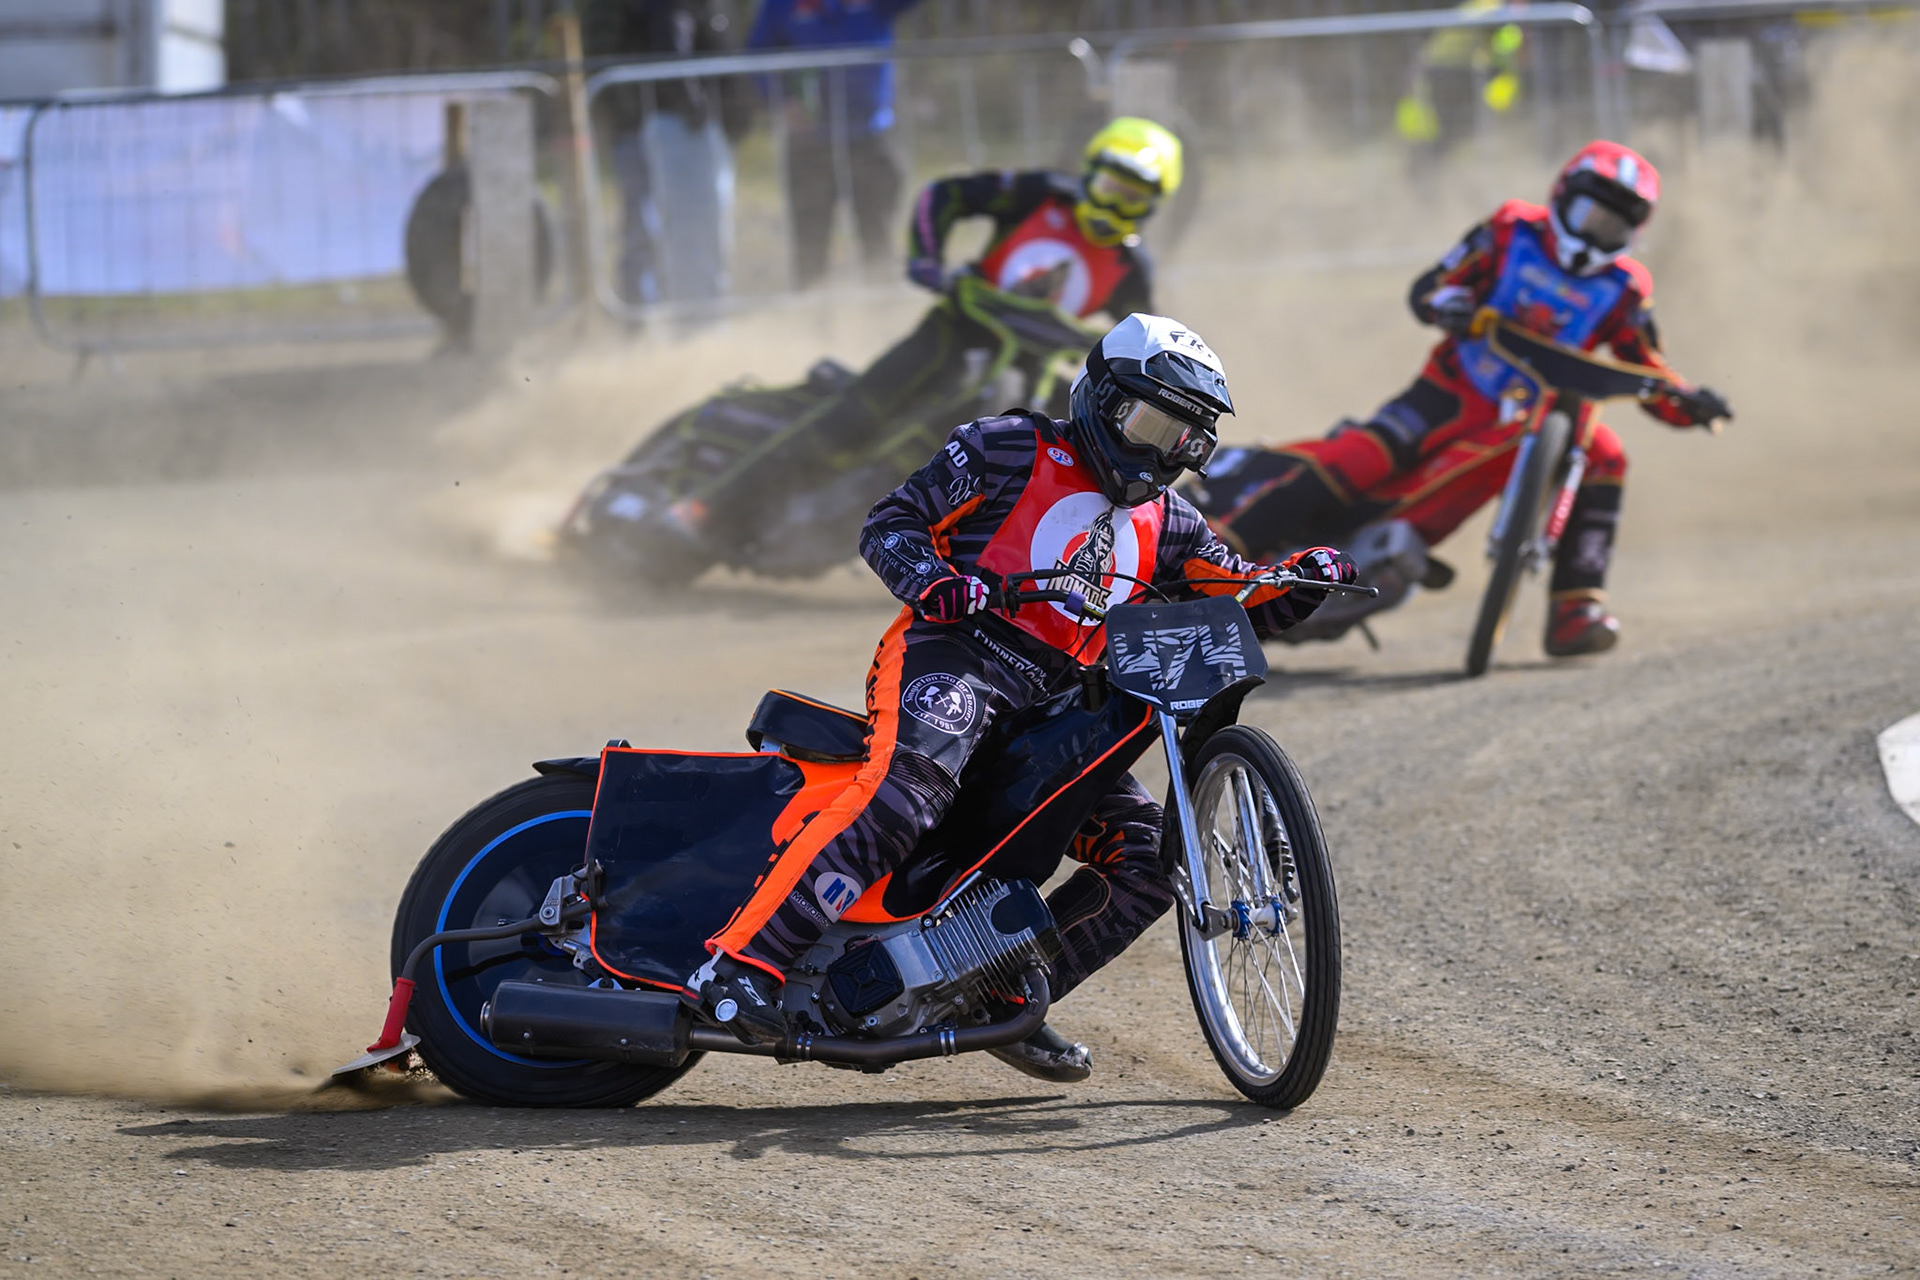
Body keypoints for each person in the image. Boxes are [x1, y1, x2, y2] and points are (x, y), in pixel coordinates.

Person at [686, 313, 1357, 1082]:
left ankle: (996, 999)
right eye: (1149, 424)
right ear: (1100, 400)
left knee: (1145, 863)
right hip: (954, 660)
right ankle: (740, 967)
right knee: (907, 793)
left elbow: (1239, 596)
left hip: (1055, 706)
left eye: (1183, 440)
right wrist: (934, 582)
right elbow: (890, 524)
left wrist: (1302, 576)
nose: (1161, 453)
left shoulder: (1173, 524)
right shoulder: (1004, 447)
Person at [1198, 140, 1732, 657]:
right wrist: (1447, 307)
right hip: (1447, 393)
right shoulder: (1510, 229)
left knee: (1608, 456)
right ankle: (1217, 553)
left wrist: (1687, 402)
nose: (1598, 232)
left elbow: (1646, 366)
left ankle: (1577, 609)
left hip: (1543, 413)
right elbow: (1432, 286)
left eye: (1613, 225)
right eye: (1592, 214)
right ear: (1563, 196)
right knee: (1358, 458)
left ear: (1632, 233)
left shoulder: (1627, 288)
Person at [687, 116, 1183, 544]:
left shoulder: (1131, 267)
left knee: (1060, 462)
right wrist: (926, 260)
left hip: (1025, 373)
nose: (1117, 207)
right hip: (950, 336)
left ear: (1153, 207)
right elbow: (945, 195)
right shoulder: (1041, 194)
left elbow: (1143, 346)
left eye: (1133, 200)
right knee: (848, 417)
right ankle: (711, 506)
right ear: (1090, 175)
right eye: (1111, 189)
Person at [585, 0, 751, 314]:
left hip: (684, 125)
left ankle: (698, 315)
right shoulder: (670, 9)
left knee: (697, 228)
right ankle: (680, 321)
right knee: (673, 232)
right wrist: (696, 111)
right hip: (675, 126)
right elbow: (670, 55)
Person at [747, 0, 927, 288]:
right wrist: (781, 100)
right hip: (809, 143)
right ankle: (811, 320)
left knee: (877, 235)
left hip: (871, 136)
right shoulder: (781, 6)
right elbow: (758, 57)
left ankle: (882, 312)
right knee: (811, 241)